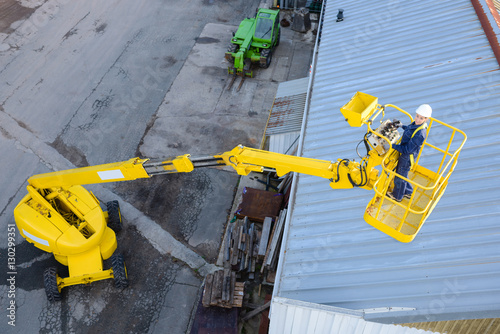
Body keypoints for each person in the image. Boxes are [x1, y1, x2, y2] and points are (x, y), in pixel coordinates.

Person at [386, 104, 432, 202]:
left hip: (407, 157)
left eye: (421, 118)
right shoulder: (417, 125)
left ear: (426, 119)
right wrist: (401, 125)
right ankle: (408, 191)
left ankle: (397, 196)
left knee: (400, 175)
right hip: (407, 154)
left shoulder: (420, 134)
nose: (418, 119)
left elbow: (407, 149)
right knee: (403, 173)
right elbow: (410, 130)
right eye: (417, 116)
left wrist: (392, 145)